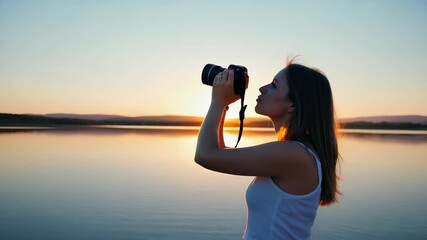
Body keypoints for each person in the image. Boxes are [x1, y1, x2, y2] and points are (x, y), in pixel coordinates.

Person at [194, 58, 340, 240]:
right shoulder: (296, 153)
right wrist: (224, 105)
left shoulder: (294, 155)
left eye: (273, 85)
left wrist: (216, 102)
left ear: (293, 105)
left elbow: (205, 155)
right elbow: (219, 152)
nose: (263, 88)